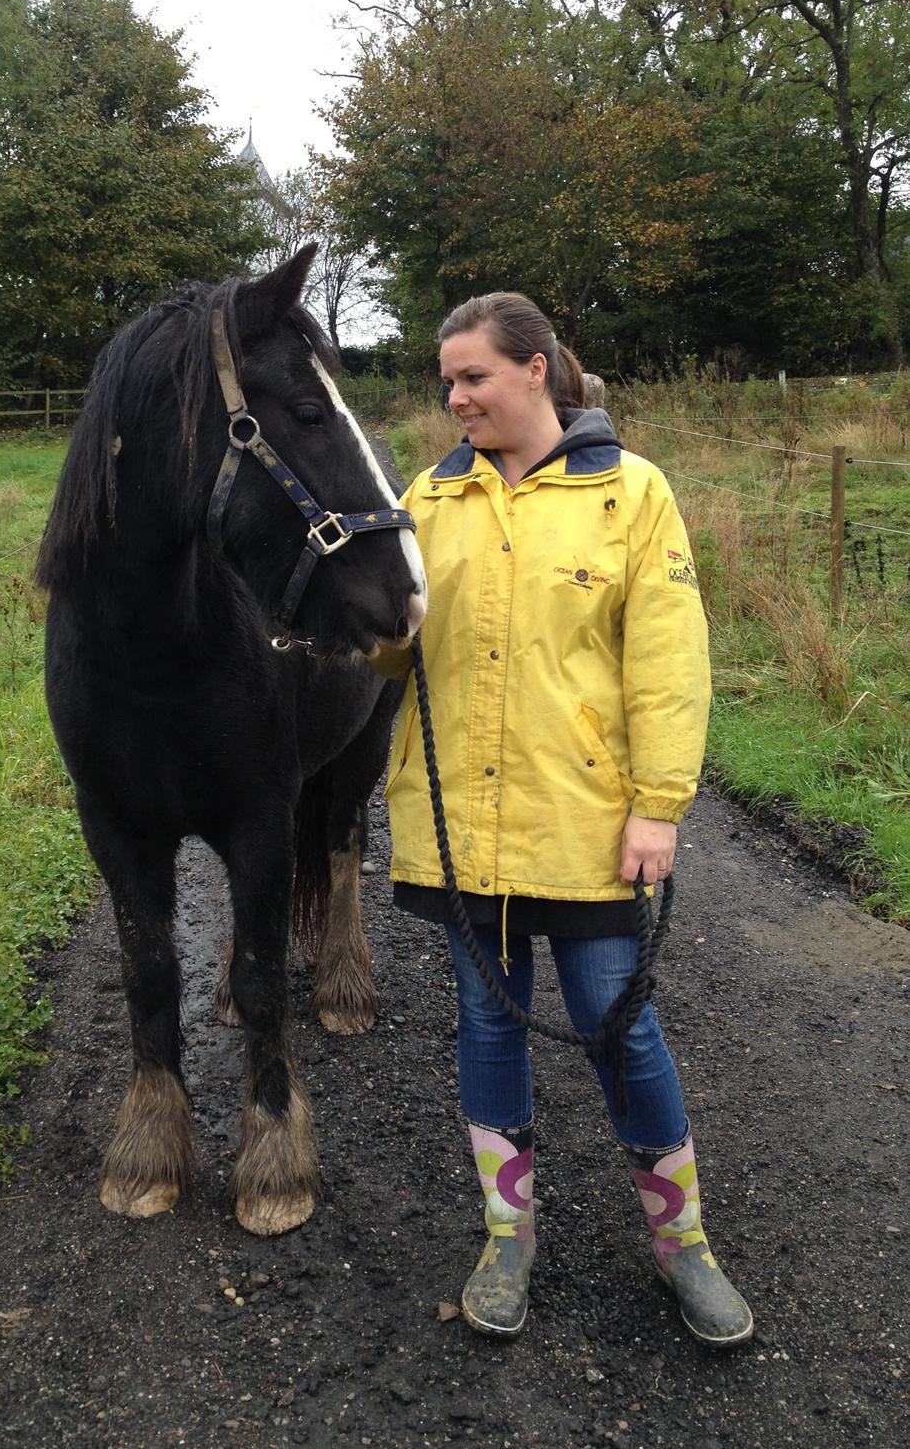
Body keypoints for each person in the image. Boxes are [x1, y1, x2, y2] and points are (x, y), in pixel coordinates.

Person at [368, 293, 752, 1347]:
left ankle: (685, 1247)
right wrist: (354, 614)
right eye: (448, 380)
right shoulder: (430, 496)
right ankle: (508, 1234)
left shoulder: (632, 494)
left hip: (587, 823)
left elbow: (669, 665)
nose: (453, 399)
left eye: (472, 377)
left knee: (619, 1030)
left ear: (535, 371)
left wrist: (659, 808)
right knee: (489, 1023)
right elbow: (396, 656)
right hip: (460, 824)